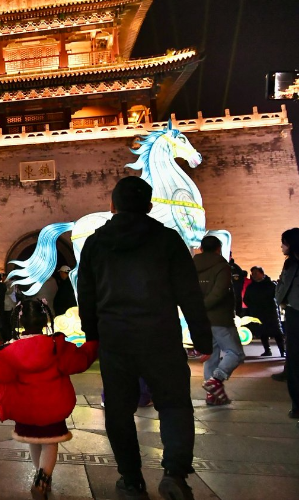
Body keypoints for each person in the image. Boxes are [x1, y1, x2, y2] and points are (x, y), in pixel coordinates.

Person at [77, 176, 211, 500]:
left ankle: (131, 479)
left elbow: (87, 294)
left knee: (119, 411)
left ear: (112, 205)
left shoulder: (95, 243)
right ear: (150, 207)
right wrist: (202, 338)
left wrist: (92, 335)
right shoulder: (168, 240)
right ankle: (175, 473)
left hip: (116, 340)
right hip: (160, 337)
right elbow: (189, 293)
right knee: (175, 405)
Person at [0, 300, 98, 500]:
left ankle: (39, 475)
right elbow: (79, 361)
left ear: (20, 321)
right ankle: (43, 477)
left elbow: (2, 374)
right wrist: (93, 343)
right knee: (50, 443)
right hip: (53, 408)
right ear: (45, 320)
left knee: (33, 441)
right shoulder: (57, 346)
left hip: (25, 410)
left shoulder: (8, 351)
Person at [193, 235, 245, 405]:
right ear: (218, 249)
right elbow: (219, 292)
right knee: (236, 353)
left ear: (201, 249)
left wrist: (197, 310)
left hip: (202, 319)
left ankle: (212, 396)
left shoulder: (191, 266)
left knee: (211, 355)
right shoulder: (222, 266)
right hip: (220, 317)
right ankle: (215, 380)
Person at [276, 228, 299, 421]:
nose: (281, 246)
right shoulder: (290, 264)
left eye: (284, 243)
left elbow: (283, 286)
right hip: (292, 314)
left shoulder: (292, 265)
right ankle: (297, 406)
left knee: (295, 360)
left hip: (295, 313)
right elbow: (282, 286)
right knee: (294, 360)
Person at [245, 266, 285, 357]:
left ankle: (282, 351)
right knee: (263, 332)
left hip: (271, 312)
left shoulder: (271, 285)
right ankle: (267, 350)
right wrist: (253, 307)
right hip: (258, 312)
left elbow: (278, 296)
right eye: (252, 274)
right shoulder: (251, 287)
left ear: (262, 274)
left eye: (256, 273)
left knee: (277, 332)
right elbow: (246, 299)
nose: (254, 275)